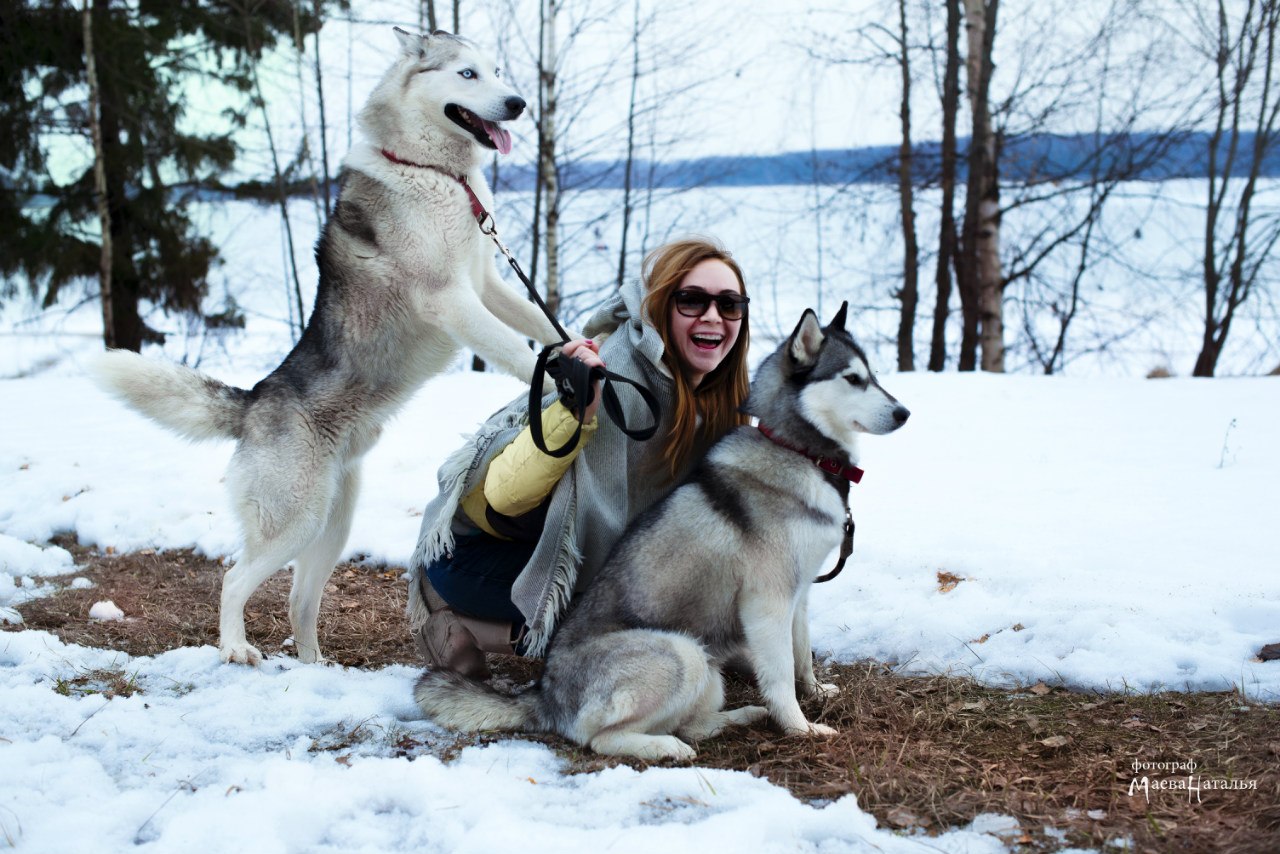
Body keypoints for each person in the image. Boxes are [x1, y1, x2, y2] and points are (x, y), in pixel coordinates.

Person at [407, 237, 752, 677]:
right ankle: (462, 625)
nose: (712, 317)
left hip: (561, 548)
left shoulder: (722, 398)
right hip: (473, 556)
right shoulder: (613, 372)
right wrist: (575, 412)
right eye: (691, 300)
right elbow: (502, 497)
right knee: (628, 624)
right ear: (660, 307)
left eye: (729, 305)